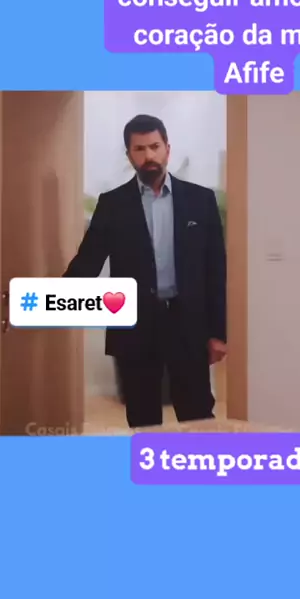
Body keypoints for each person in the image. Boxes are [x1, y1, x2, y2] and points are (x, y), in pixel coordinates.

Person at [64, 114, 227, 427]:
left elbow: (216, 270)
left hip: (187, 324)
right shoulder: (112, 204)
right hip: (135, 326)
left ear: (167, 148)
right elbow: (88, 261)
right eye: (139, 149)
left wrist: (218, 333)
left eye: (154, 146)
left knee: (197, 414)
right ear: (129, 155)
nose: (149, 155)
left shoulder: (200, 200)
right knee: (142, 416)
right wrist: (52, 300)